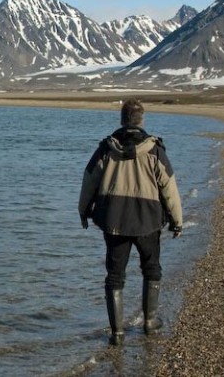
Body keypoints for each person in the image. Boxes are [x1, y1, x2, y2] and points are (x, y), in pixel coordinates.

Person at [78, 99, 183, 346]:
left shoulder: (106, 148)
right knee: (151, 268)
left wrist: (83, 211)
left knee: (115, 275)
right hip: (148, 219)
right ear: (142, 120)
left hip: (114, 220)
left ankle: (117, 333)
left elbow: (89, 180)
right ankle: (150, 323)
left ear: (122, 120)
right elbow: (169, 186)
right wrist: (177, 220)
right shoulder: (155, 149)